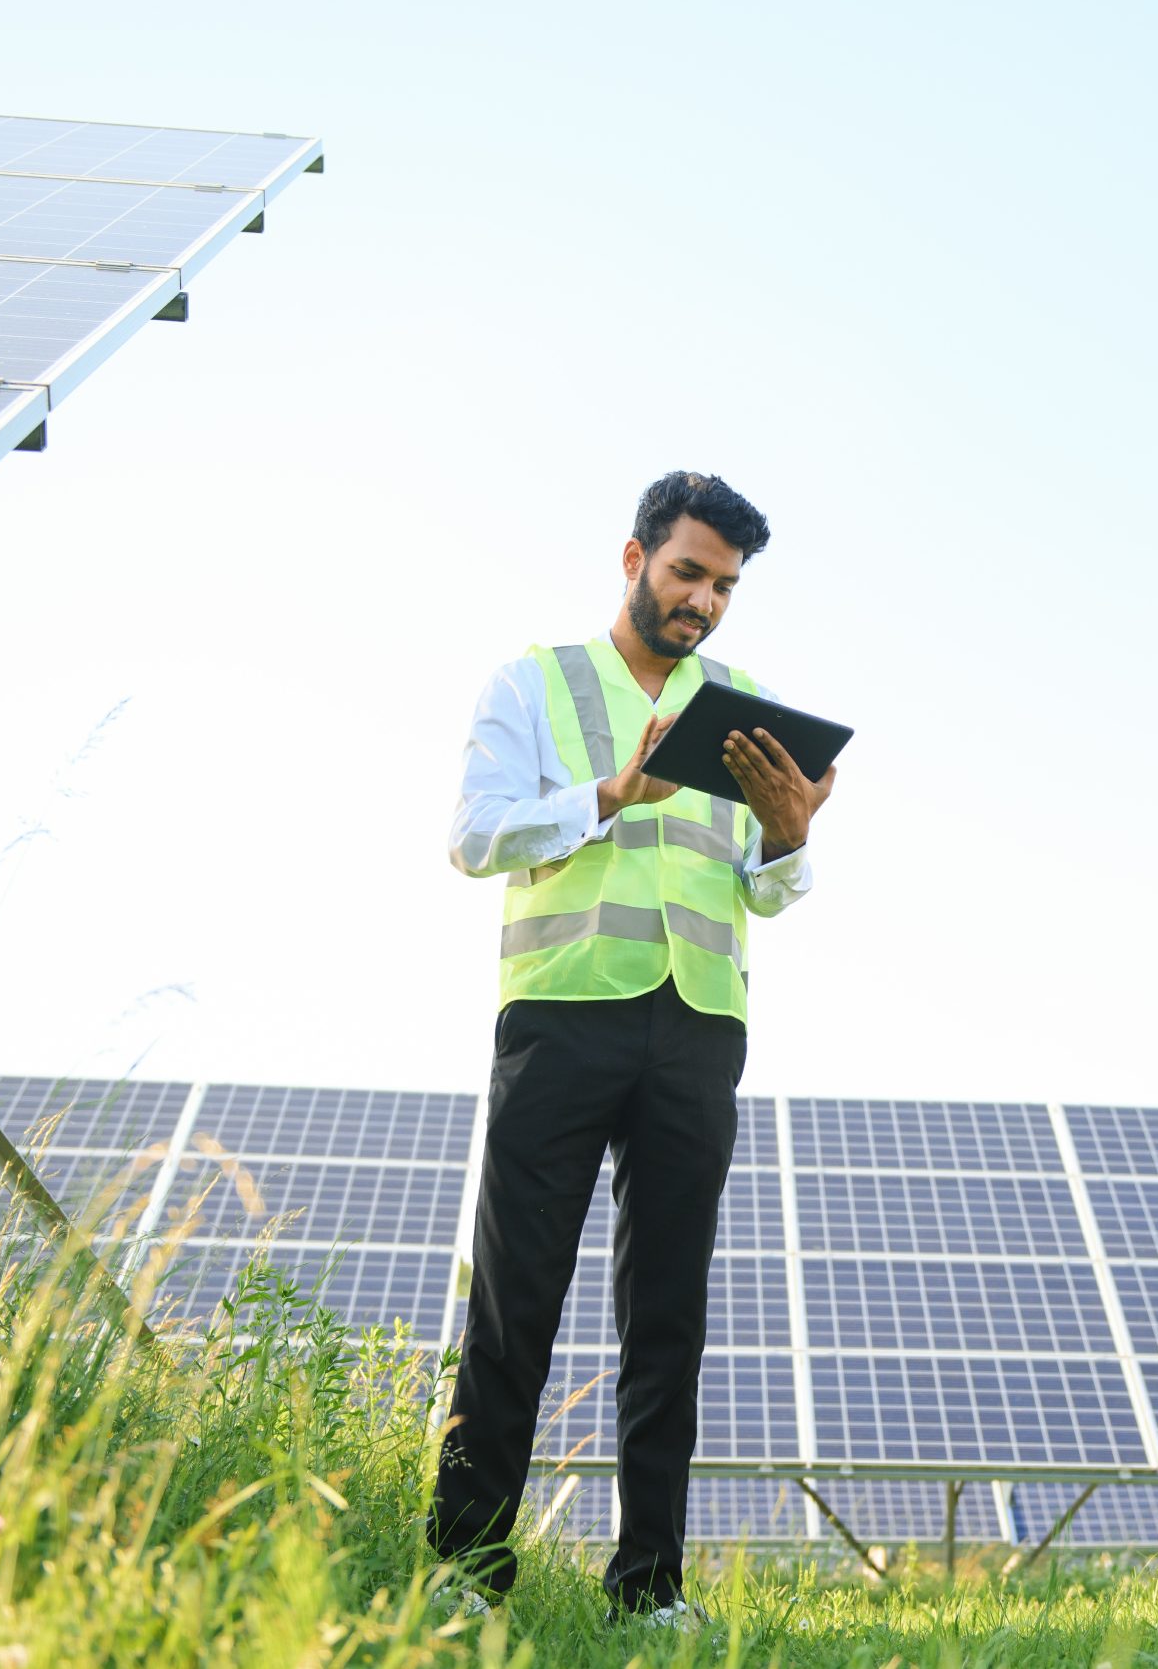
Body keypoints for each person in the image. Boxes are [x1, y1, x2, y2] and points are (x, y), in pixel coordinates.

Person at [428, 470, 836, 1625]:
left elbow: (766, 891)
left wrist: (790, 838)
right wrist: (612, 791)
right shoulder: (536, 681)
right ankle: (465, 1572)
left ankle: (648, 1587)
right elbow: (470, 838)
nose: (703, 601)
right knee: (518, 1301)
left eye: (724, 585)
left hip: (700, 1026)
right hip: (563, 1013)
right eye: (687, 572)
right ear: (633, 557)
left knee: (668, 1314)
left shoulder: (746, 702)